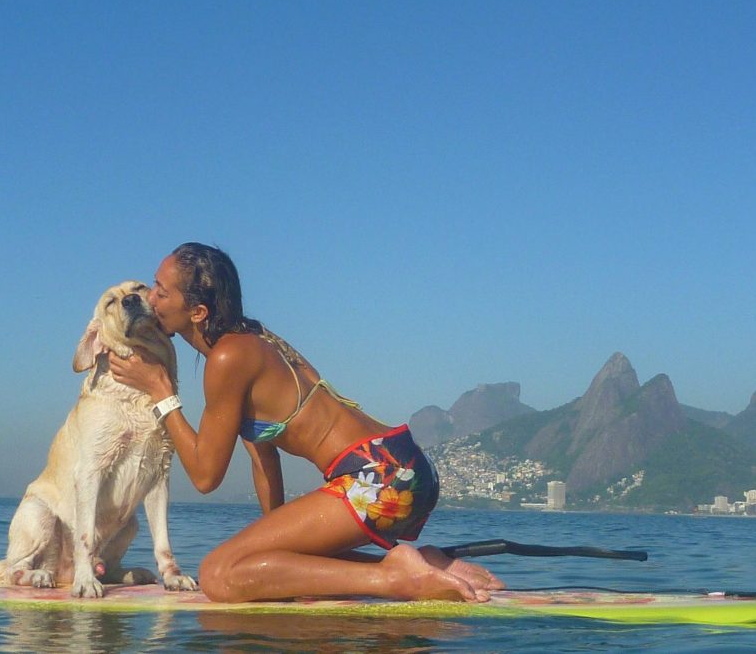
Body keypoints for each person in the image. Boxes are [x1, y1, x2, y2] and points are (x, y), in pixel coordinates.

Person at [109, 242, 504, 603]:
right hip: (400, 467)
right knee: (249, 561)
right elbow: (263, 457)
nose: (149, 298)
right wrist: (273, 556)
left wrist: (161, 392)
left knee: (217, 574)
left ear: (197, 312)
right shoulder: (250, 340)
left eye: (161, 290)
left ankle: (397, 579)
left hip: (376, 476)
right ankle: (426, 564)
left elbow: (205, 477)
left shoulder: (228, 357)